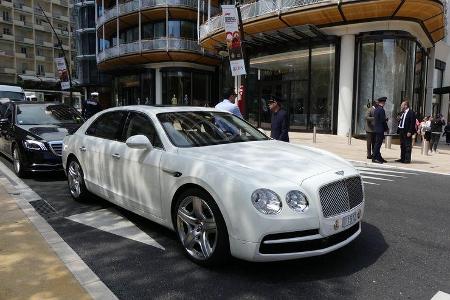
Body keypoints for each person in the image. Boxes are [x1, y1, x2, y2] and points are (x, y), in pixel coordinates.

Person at [372, 96, 388, 164]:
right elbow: (382, 121)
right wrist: (386, 128)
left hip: (376, 129)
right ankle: (374, 158)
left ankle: (378, 157)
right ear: (383, 102)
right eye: (384, 102)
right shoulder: (381, 110)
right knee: (378, 144)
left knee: (377, 144)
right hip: (380, 129)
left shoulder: (376, 109)